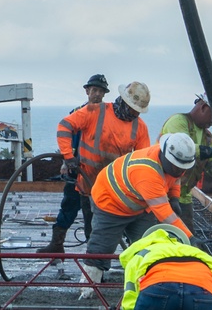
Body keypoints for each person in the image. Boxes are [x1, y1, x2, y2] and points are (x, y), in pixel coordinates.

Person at [44, 77, 151, 255]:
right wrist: (68, 157)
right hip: (88, 183)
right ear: (123, 102)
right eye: (133, 110)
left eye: (137, 111)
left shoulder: (139, 127)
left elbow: (142, 162)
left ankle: (102, 264)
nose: (134, 114)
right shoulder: (94, 111)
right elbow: (64, 126)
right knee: (90, 226)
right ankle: (91, 266)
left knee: (108, 230)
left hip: (115, 190)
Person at [81, 133, 197, 295]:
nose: (179, 171)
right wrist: (189, 237)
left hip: (139, 204)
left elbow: (175, 178)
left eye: (183, 168)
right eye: (177, 167)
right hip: (111, 203)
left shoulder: (173, 161)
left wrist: (174, 197)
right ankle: (87, 289)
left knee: (147, 246)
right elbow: (166, 216)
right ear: (165, 156)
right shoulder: (147, 173)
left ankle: (146, 287)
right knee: (101, 248)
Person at [158, 95, 212, 232]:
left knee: (186, 237)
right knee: (162, 233)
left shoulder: (208, 137)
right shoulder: (178, 122)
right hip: (162, 193)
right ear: (204, 107)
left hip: (185, 195)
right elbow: (184, 149)